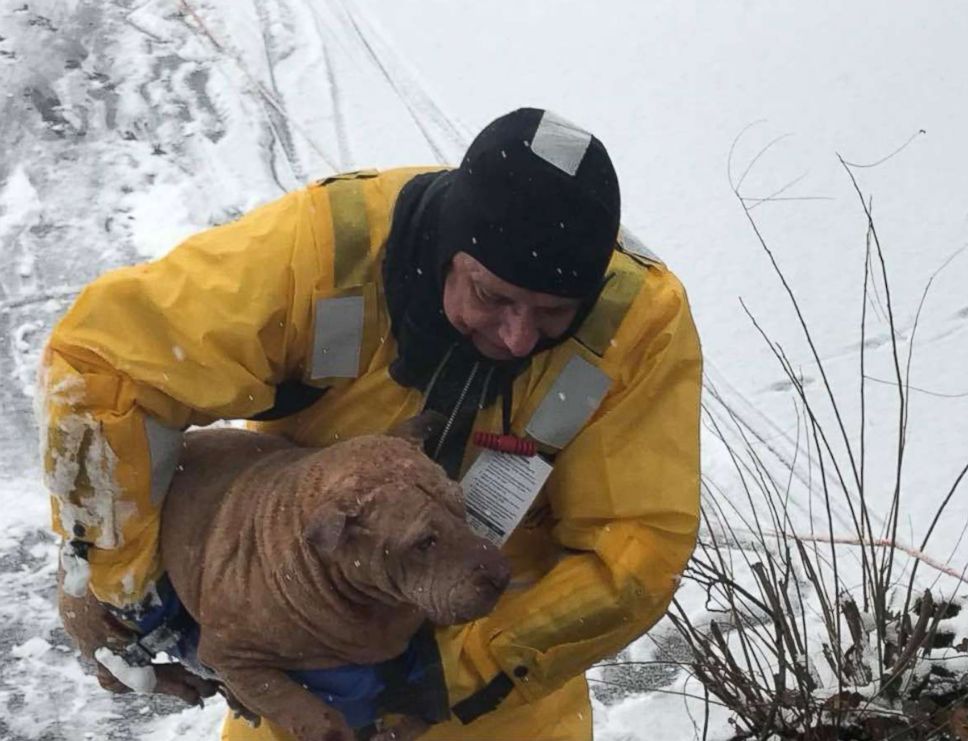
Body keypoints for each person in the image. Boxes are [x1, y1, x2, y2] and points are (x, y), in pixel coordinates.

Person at [39, 107, 702, 740]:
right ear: (447, 248)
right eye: (491, 296)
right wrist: (124, 578)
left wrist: (451, 674)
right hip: (293, 634)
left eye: (553, 311)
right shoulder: (328, 251)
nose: (519, 336)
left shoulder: (635, 326)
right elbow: (107, 366)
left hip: (497, 682)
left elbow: (635, 551)